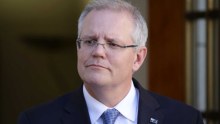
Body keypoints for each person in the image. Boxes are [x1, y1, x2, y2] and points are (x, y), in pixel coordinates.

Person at [18, 0, 204, 124]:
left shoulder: (184, 119)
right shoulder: (36, 120)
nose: (98, 51)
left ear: (138, 58)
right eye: (90, 41)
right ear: (78, 48)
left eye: (112, 44)